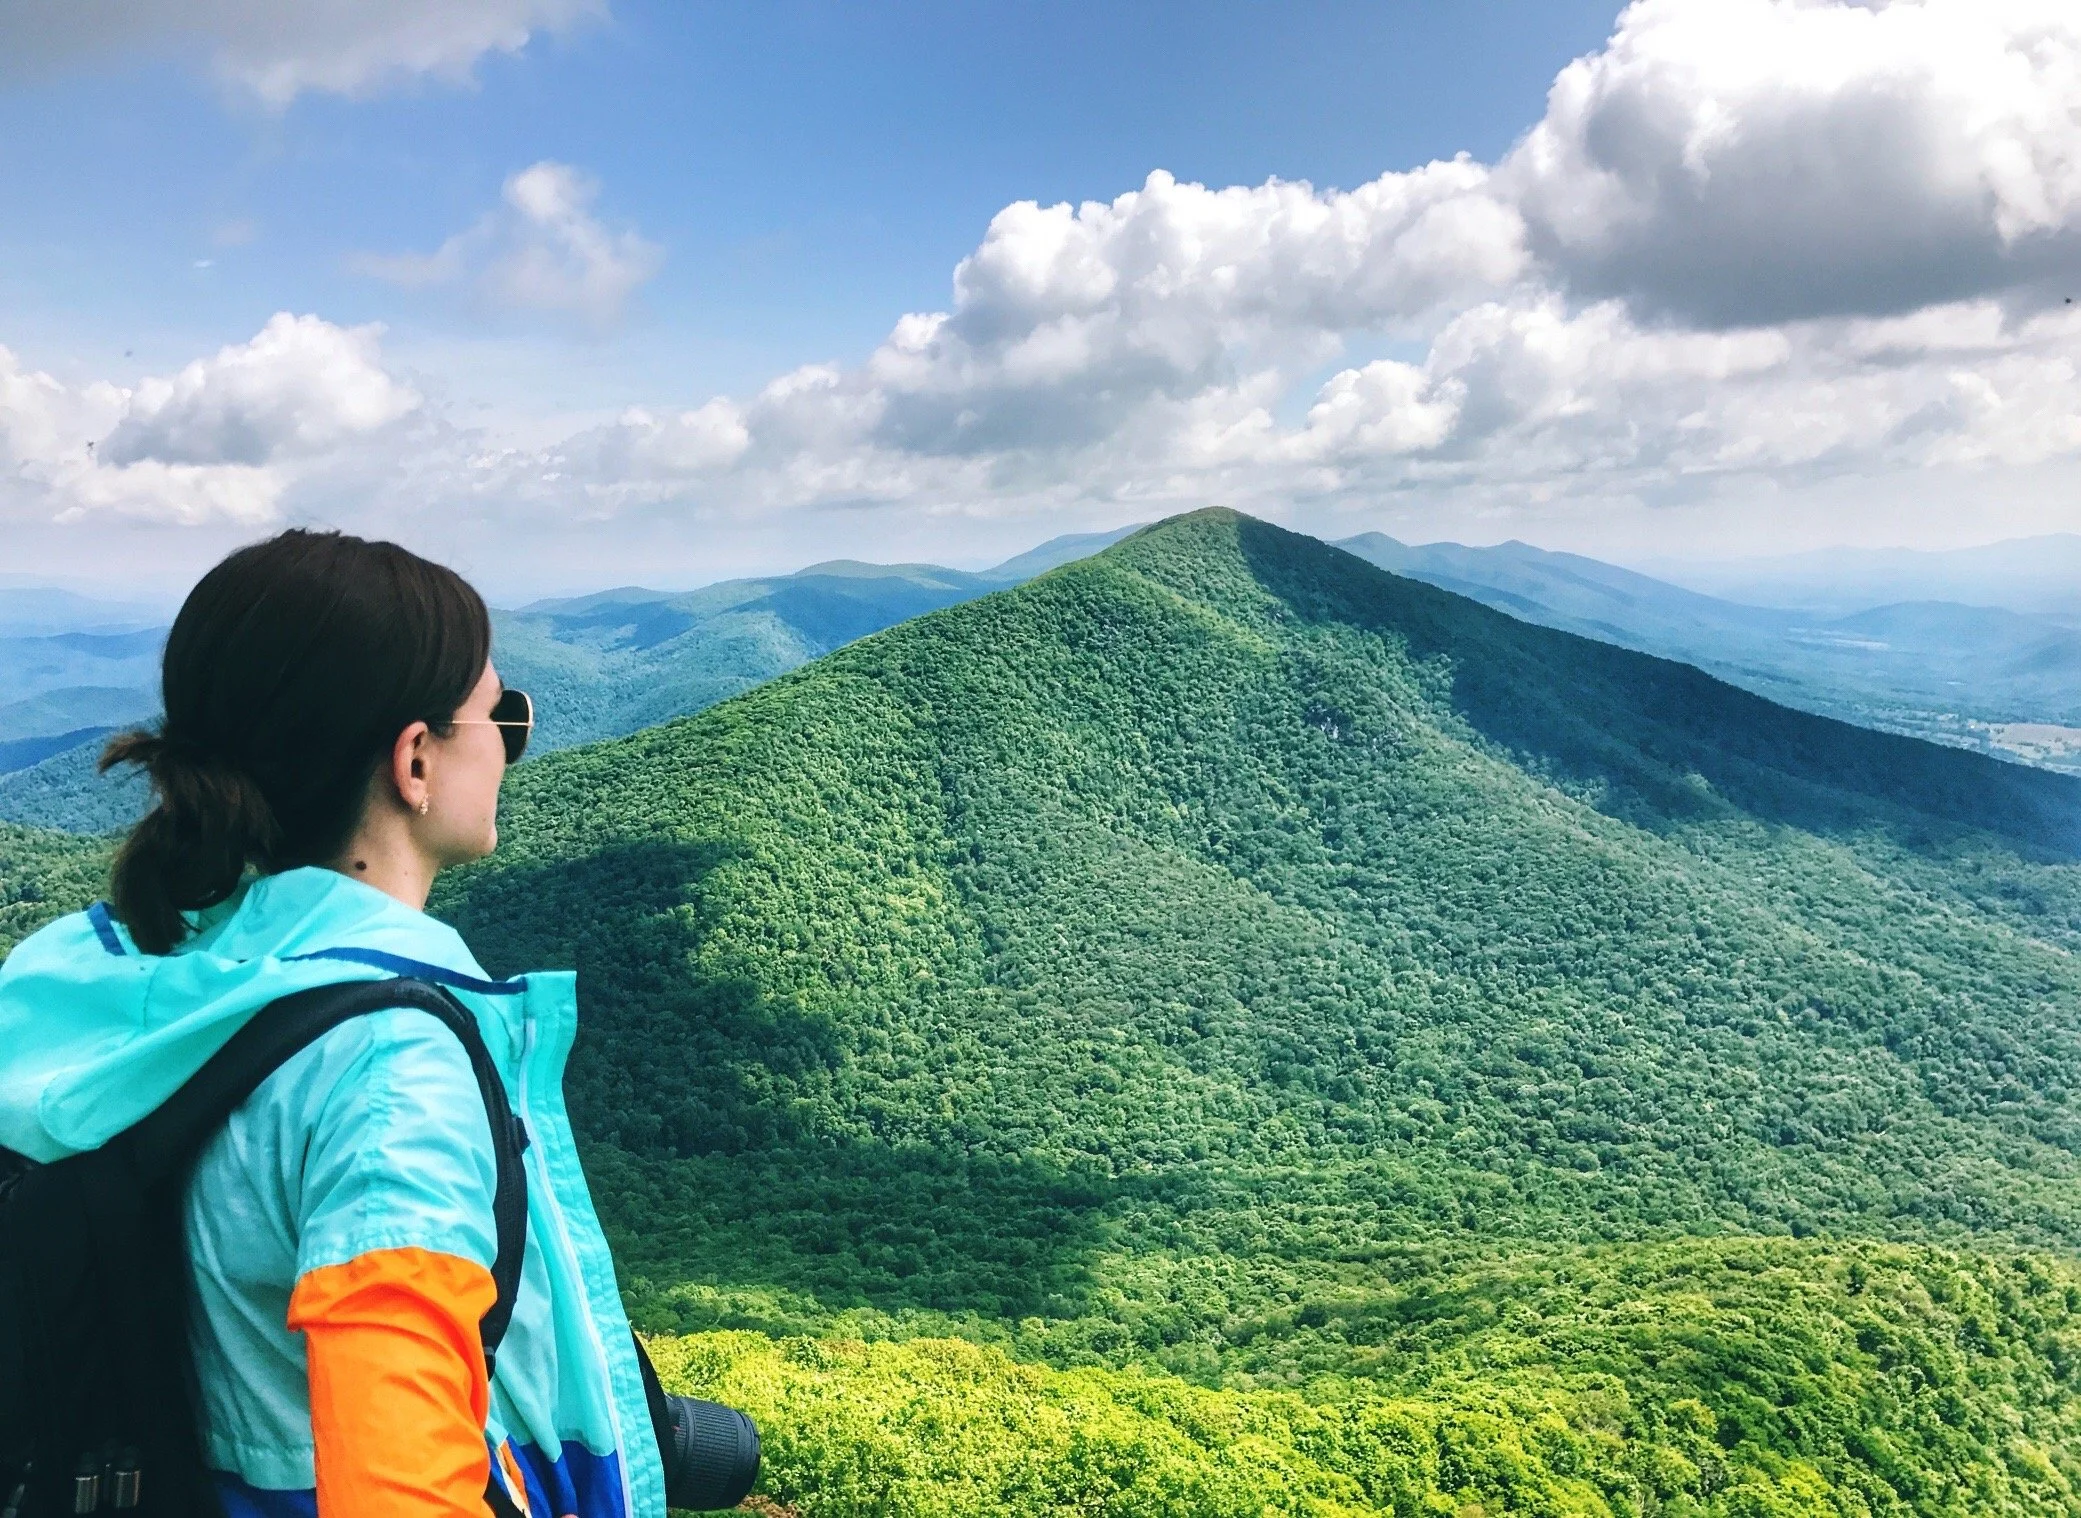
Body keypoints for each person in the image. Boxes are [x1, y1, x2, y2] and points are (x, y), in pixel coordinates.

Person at [0, 531, 667, 1517]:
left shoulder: (120, 981)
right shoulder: (389, 1069)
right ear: (415, 761)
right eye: (502, 716)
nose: (510, 743)